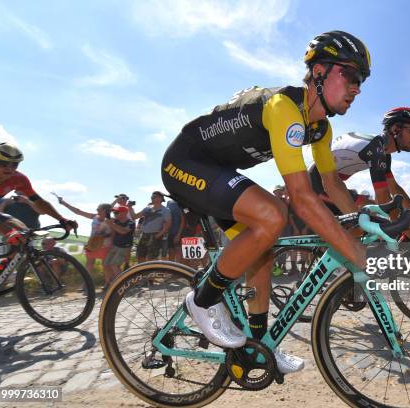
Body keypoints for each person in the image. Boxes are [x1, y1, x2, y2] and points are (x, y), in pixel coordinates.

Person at [161, 30, 370, 374]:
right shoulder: (284, 107)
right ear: (319, 72)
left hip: (218, 169)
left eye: (361, 80)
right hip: (185, 161)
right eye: (350, 74)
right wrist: (350, 250)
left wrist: (360, 222)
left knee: (263, 251)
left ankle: (260, 349)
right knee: (273, 214)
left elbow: (332, 184)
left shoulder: (320, 128)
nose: (357, 87)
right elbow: (302, 198)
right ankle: (203, 301)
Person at [308, 107, 410, 213]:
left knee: (370, 210)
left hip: (331, 182)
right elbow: (383, 197)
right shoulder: (376, 147)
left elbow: (394, 188)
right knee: (365, 222)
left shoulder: (383, 152)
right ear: (396, 128)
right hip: (318, 183)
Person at [0, 143, 75, 245]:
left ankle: (13, 260)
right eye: (3, 163)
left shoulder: (18, 179)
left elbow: (39, 201)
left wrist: (62, 220)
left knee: (24, 232)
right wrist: (7, 232)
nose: (9, 168)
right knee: (9, 233)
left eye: (14, 164)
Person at [58, 198, 113, 279]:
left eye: (98, 209)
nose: (96, 210)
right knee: (89, 265)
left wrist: (101, 236)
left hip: (105, 246)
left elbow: (112, 234)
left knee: (106, 267)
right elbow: (78, 211)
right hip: (92, 245)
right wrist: (63, 202)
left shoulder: (111, 221)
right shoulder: (95, 216)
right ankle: (86, 284)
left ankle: (108, 284)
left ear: (104, 210)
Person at [130, 191, 171, 262]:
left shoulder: (165, 210)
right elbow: (134, 217)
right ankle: (142, 271)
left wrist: (158, 235)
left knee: (152, 258)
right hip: (144, 234)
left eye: (154, 197)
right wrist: (130, 208)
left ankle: (150, 272)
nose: (152, 198)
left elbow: (168, 224)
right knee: (140, 256)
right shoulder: (147, 208)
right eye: (152, 197)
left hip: (155, 234)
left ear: (160, 198)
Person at [103, 206, 135, 285]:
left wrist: (111, 224)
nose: (115, 214)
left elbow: (123, 232)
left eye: (117, 212)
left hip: (124, 246)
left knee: (114, 265)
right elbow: (113, 231)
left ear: (124, 213)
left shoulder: (131, 222)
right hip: (115, 245)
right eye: (114, 213)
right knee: (106, 263)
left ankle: (124, 283)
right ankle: (110, 283)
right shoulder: (116, 221)